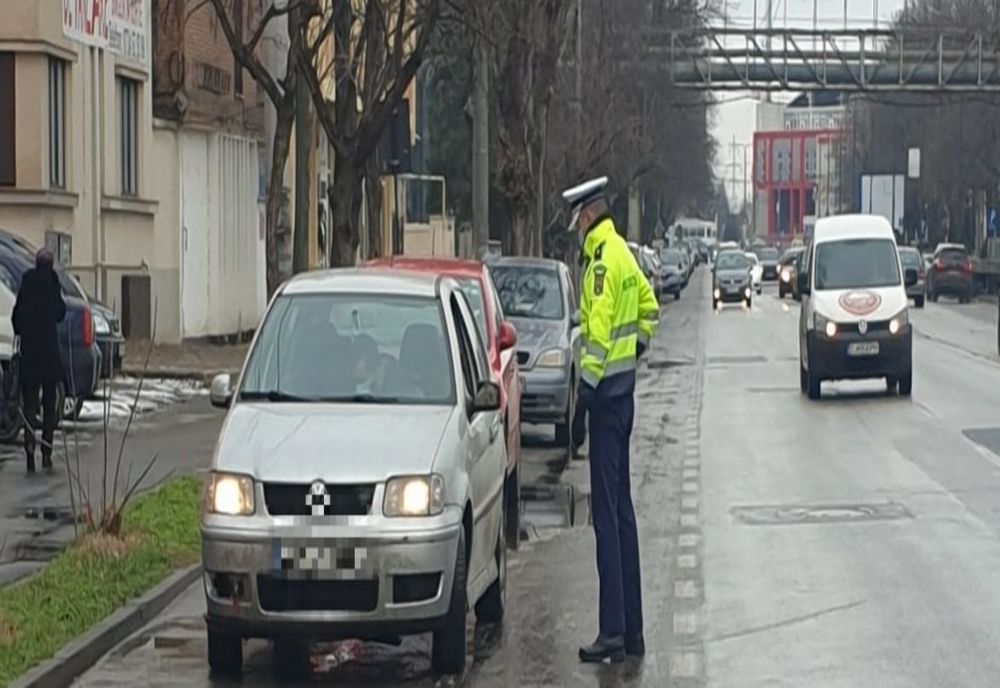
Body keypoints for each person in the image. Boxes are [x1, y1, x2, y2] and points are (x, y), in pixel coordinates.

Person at [564, 176, 659, 663]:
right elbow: (649, 306)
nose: (576, 232)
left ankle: (612, 632)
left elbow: (597, 337)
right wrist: (636, 351)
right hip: (625, 400)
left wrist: (584, 396)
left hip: (605, 405)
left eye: (575, 222)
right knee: (623, 515)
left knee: (606, 518)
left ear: (586, 217)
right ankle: (633, 629)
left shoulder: (601, 262)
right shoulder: (624, 253)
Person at [12, 248, 66, 473]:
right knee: (49, 404)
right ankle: (46, 450)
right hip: (49, 354)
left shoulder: (27, 281)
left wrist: (24, 332)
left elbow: (16, 317)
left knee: (30, 402)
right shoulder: (52, 281)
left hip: (30, 354)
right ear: (51, 264)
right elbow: (60, 312)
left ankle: (29, 446)